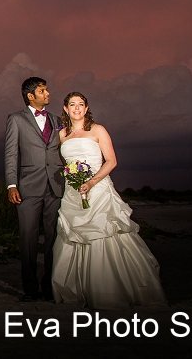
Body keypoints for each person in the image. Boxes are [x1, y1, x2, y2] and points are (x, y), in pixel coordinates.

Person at [51, 92, 167, 309]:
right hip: (73, 191)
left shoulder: (98, 130)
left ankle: (108, 290)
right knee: (74, 234)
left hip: (98, 189)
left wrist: (92, 182)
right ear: (65, 109)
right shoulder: (62, 135)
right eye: (72, 104)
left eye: (81, 104)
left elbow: (111, 161)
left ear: (86, 109)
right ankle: (80, 289)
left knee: (103, 232)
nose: (77, 108)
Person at [4, 77, 64, 302]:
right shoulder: (16, 119)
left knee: (54, 239)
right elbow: (11, 154)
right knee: (28, 238)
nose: (48, 93)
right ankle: (30, 288)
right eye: (42, 90)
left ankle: (50, 287)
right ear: (31, 96)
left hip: (57, 186)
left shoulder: (58, 120)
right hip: (28, 186)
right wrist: (12, 184)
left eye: (47, 89)